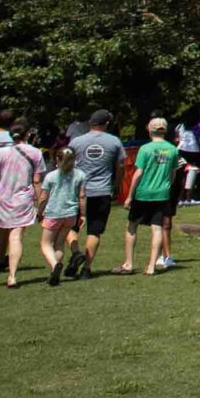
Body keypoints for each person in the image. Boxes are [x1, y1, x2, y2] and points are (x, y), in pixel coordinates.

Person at [0, 122, 44, 288]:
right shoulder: (36, 153)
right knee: (16, 237)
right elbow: (37, 181)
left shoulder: (2, 152)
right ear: (27, 134)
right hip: (22, 200)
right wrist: (40, 204)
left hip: (0, 200)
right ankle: (12, 277)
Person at [66, 110, 126, 278]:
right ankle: (86, 268)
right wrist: (117, 183)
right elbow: (121, 165)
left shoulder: (76, 142)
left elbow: (67, 164)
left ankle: (76, 252)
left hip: (77, 192)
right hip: (102, 191)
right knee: (94, 231)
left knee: (70, 227)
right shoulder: (114, 141)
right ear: (107, 123)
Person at [121, 117, 184, 276]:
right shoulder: (173, 149)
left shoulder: (145, 149)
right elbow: (173, 173)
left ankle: (128, 263)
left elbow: (138, 173)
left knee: (132, 226)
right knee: (157, 228)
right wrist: (167, 186)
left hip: (143, 193)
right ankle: (151, 266)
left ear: (149, 130)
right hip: (162, 194)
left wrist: (129, 195)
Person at [38, 146, 88, 287]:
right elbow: (82, 196)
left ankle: (55, 266)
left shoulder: (51, 176)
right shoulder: (80, 175)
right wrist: (83, 214)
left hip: (54, 213)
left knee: (45, 243)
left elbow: (43, 197)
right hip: (70, 214)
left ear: (57, 159)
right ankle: (56, 273)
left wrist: (39, 212)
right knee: (59, 243)